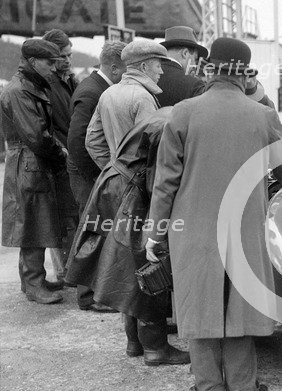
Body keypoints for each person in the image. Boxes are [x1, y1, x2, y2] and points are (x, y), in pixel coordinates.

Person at [145, 37, 282, 391]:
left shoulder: (183, 112)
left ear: (209, 69)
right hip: (245, 227)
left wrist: (154, 232)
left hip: (193, 228)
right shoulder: (262, 115)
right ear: (243, 74)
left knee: (200, 304)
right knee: (241, 304)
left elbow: (165, 182)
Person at [66, 108, 189, 366]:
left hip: (117, 184)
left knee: (128, 267)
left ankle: (136, 341)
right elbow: (159, 184)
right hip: (130, 191)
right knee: (151, 262)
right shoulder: (173, 126)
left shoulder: (168, 115)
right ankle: (155, 347)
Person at [0, 39, 67, 304]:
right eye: (48, 63)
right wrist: (60, 152)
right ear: (32, 62)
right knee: (31, 222)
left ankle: (33, 279)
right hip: (29, 160)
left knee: (35, 220)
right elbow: (36, 136)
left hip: (30, 161)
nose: (52, 68)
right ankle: (33, 282)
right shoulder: (19, 90)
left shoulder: (27, 86)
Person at [66, 40, 126, 313]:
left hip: (90, 172)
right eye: (126, 70)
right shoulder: (92, 92)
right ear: (115, 67)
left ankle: (93, 290)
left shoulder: (98, 87)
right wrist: (99, 175)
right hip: (86, 173)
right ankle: (87, 295)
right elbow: (77, 140)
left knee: (96, 229)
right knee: (91, 229)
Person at [85, 38, 169, 169]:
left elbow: (92, 141)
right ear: (144, 67)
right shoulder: (143, 97)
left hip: (119, 180)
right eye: (158, 66)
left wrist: (113, 169)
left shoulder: (108, 93)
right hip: (139, 182)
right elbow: (151, 148)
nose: (161, 71)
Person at [42, 29, 79, 285]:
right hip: (59, 159)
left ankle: (70, 270)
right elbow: (46, 127)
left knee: (71, 215)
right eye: (62, 56)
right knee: (62, 218)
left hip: (70, 157)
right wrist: (62, 151)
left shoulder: (70, 81)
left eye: (70, 54)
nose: (67, 60)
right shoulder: (47, 86)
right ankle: (65, 271)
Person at [156, 26, 207, 107]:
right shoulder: (194, 84)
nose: (195, 65)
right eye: (195, 58)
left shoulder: (148, 76)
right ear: (185, 53)